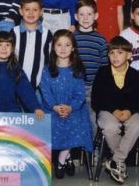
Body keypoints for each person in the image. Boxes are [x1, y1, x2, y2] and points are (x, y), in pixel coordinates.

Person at [40, 30, 93, 179]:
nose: (63, 49)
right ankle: (68, 156)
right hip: (52, 108)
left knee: (75, 123)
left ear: (73, 48)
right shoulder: (47, 69)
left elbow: (80, 94)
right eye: (59, 45)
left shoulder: (76, 69)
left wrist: (70, 107)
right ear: (53, 48)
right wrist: (55, 107)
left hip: (74, 108)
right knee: (53, 123)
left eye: (67, 45)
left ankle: (61, 160)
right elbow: (45, 92)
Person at [91, 36, 139, 184]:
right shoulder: (102, 73)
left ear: (129, 55)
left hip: (130, 111)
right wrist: (113, 110)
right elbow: (97, 98)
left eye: (120, 53)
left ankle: (116, 160)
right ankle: (119, 162)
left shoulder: (135, 75)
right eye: (112, 53)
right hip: (108, 111)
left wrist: (129, 110)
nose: (115, 56)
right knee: (110, 128)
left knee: (137, 125)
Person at [73, 0, 108, 132]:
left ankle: (91, 149)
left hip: (93, 88)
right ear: (76, 16)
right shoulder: (72, 38)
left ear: (96, 16)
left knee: (91, 119)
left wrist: (100, 87)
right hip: (75, 86)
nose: (85, 18)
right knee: (74, 118)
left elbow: (104, 67)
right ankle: (74, 150)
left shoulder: (101, 40)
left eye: (89, 14)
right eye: (82, 14)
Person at [10, 0, 52, 95]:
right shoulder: (14, 32)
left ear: (41, 12)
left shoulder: (47, 34)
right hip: (16, 84)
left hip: (39, 86)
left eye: (35, 10)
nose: (31, 13)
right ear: (20, 11)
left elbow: (49, 59)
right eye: (27, 9)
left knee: (38, 110)